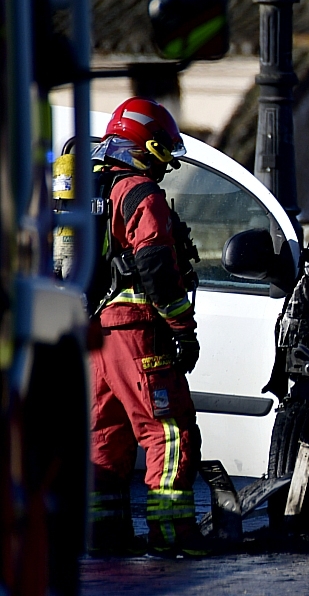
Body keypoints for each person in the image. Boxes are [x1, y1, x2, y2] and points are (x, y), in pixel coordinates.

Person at [87, 98, 206, 558]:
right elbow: (156, 265)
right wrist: (182, 329)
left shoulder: (90, 190)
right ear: (148, 145)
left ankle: (104, 536)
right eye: (164, 151)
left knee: (106, 435)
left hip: (96, 331)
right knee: (169, 432)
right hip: (138, 330)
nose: (167, 162)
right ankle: (172, 536)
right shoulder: (141, 193)